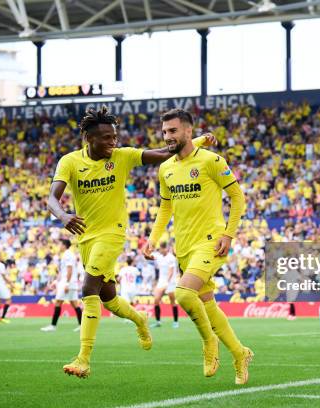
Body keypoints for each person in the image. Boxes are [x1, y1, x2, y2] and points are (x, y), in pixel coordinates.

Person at [48, 106, 216, 378]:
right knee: (108, 297)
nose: (113, 142)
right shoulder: (69, 162)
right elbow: (52, 198)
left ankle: (83, 359)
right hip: (85, 238)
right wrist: (63, 215)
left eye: (114, 137)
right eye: (106, 138)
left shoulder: (122, 156)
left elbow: (164, 154)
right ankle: (140, 319)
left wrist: (197, 141)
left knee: (88, 288)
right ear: (88, 139)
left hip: (112, 234)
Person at [142, 109, 253, 385]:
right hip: (184, 248)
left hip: (210, 243)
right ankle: (240, 354)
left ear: (188, 131)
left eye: (173, 131)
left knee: (182, 293)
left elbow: (237, 198)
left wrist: (228, 234)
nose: (167, 136)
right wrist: (153, 240)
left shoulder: (211, 161)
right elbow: (165, 208)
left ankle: (209, 343)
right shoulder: (165, 168)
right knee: (208, 305)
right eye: (165, 131)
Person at [41, 239, 83, 332]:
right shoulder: (67, 254)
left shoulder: (68, 255)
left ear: (64, 245)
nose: (59, 246)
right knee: (74, 304)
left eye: (60, 244)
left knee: (58, 302)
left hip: (68, 283)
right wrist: (56, 281)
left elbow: (69, 270)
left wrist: (67, 284)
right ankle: (82, 326)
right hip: (69, 282)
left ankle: (53, 326)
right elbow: (63, 271)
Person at [151, 242, 179, 328]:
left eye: (164, 248)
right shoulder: (158, 256)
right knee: (156, 300)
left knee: (172, 302)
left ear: (167, 248)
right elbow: (150, 256)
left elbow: (171, 271)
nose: (162, 250)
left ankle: (175, 322)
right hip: (161, 281)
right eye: (161, 248)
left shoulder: (171, 258)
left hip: (171, 282)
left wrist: (167, 282)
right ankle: (158, 322)